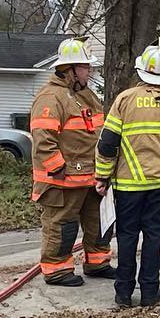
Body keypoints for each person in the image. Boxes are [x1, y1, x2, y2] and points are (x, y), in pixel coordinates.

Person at [94, 45, 160, 308]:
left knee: (128, 236)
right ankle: (150, 292)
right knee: (153, 238)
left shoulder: (124, 100)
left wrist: (102, 177)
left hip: (128, 186)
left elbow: (107, 144)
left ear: (141, 71)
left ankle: (123, 293)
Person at [28, 37, 114, 287]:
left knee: (99, 224)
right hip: (62, 181)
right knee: (62, 227)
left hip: (91, 178)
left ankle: (98, 263)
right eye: (86, 67)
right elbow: (43, 139)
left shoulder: (85, 96)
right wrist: (58, 168)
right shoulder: (51, 98)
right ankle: (57, 271)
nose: (90, 72)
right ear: (71, 70)